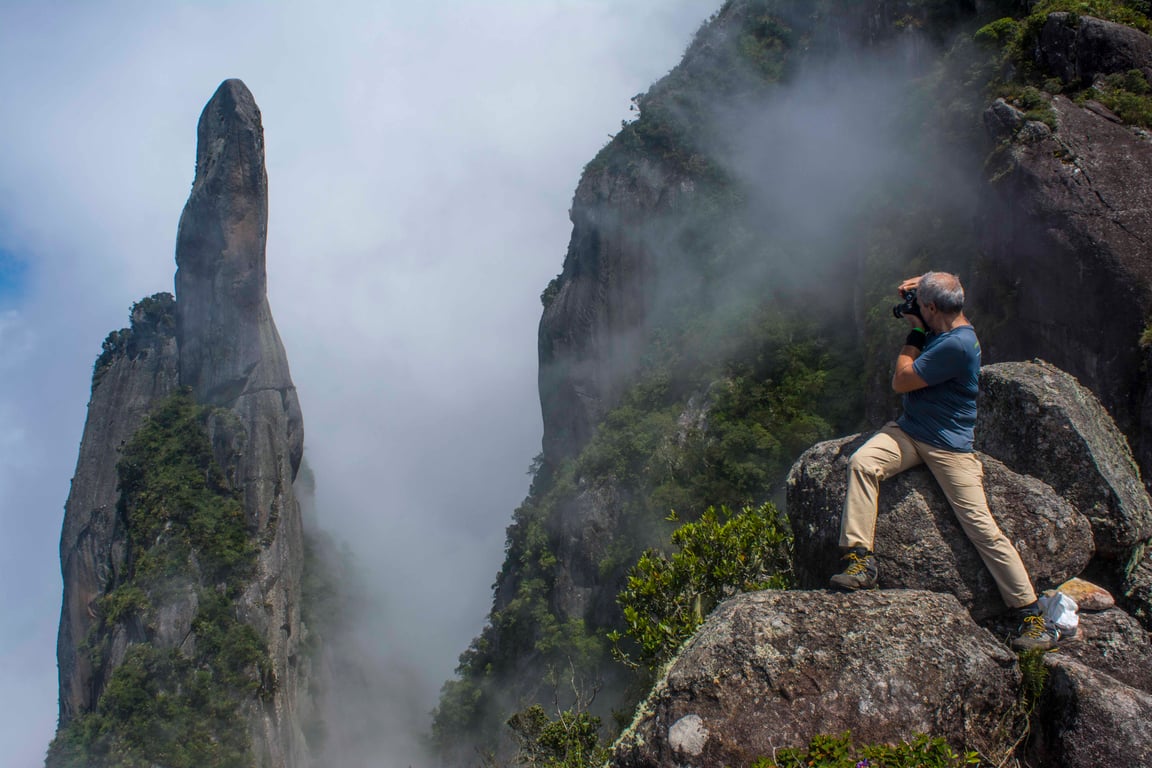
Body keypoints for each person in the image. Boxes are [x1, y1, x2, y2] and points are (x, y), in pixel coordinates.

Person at [829, 271, 1059, 651]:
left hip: (948, 447)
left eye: (920, 305)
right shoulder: (949, 316)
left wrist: (915, 333)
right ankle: (859, 560)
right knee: (862, 463)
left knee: (982, 528)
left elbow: (901, 380)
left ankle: (1033, 618)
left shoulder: (958, 344)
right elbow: (944, 281)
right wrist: (920, 285)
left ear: (933, 308)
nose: (913, 309)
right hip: (910, 430)